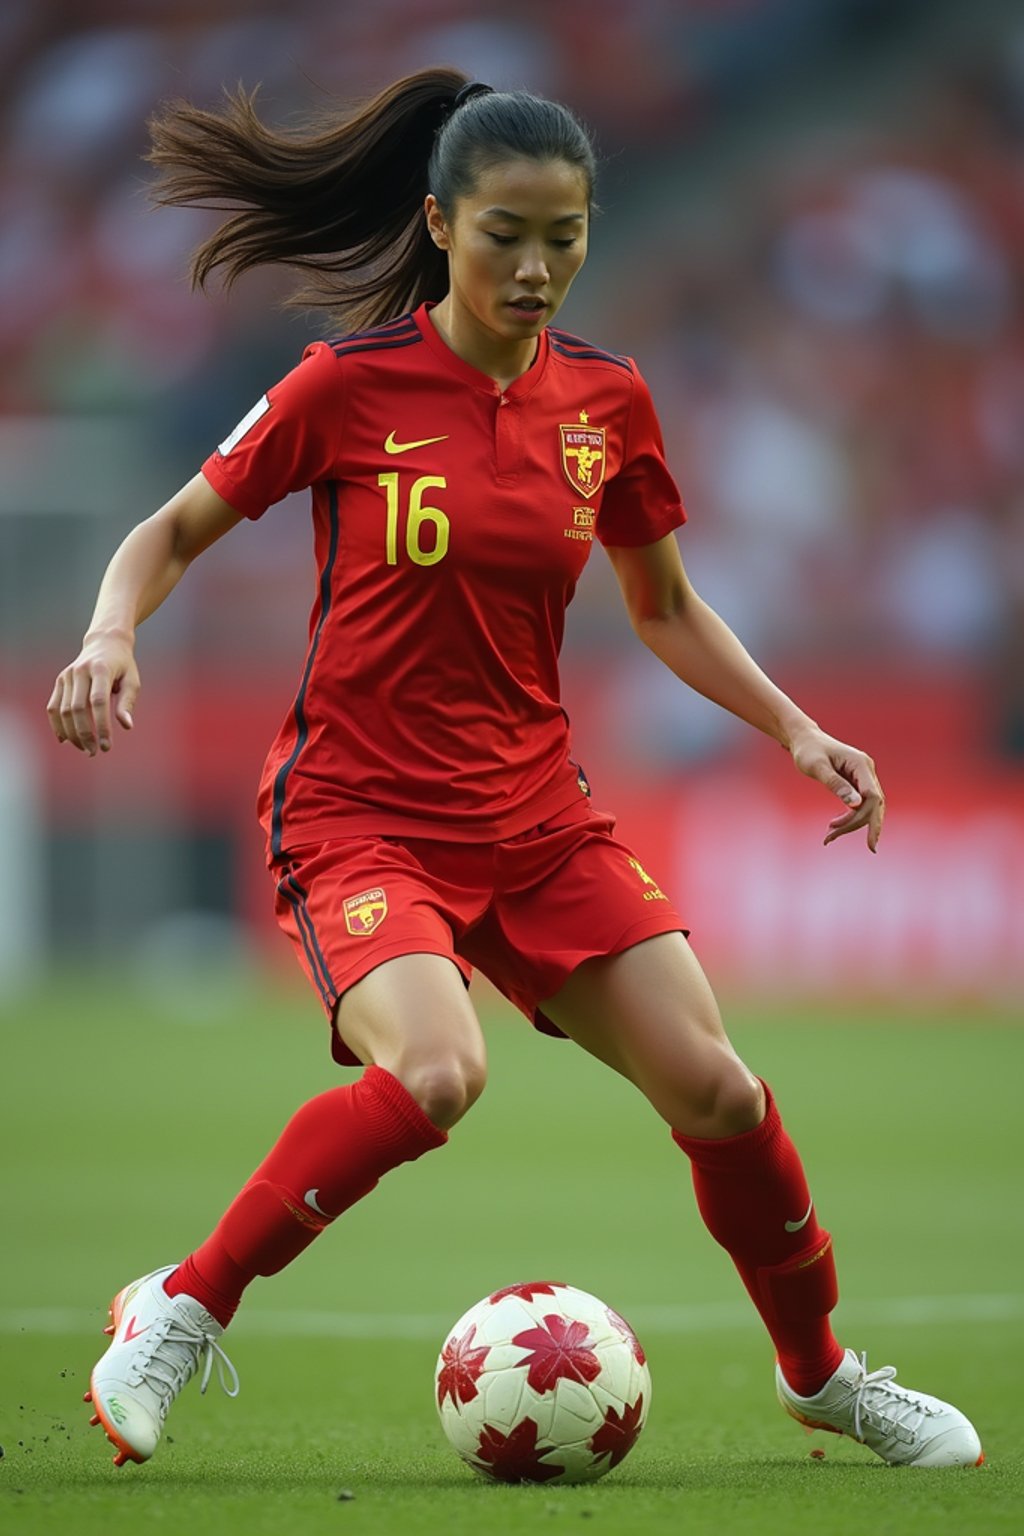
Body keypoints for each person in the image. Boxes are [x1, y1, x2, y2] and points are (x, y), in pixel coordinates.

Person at [48, 68, 982, 1473]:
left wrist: (794, 726)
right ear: (439, 222)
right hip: (361, 812)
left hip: (538, 817)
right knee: (435, 1076)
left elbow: (662, 605)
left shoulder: (608, 401)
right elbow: (167, 532)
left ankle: (823, 1375)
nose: (537, 269)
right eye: (505, 237)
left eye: (567, 236)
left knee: (721, 1094)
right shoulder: (345, 388)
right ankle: (179, 1307)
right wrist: (112, 631)